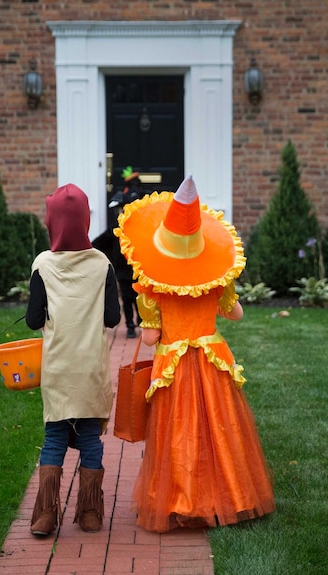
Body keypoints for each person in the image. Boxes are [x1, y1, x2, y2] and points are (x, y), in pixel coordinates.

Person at [115, 174, 276, 532]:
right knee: (221, 428)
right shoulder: (216, 279)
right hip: (211, 359)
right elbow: (235, 313)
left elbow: (151, 338)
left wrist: (149, 325)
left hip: (174, 363)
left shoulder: (153, 285)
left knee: (178, 431)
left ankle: (180, 500)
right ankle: (233, 496)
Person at [25, 183, 121, 536]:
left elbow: (35, 319)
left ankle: (45, 515)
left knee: (53, 439)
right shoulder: (102, 264)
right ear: (85, 221)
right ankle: (91, 512)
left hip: (58, 369)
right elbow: (112, 318)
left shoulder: (43, 264)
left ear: (52, 222)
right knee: (90, 441)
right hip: (91, 370)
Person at [92, 166, 145, 338]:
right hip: (122, 270)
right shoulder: (115, 229)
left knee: (138, 296)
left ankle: (142, 321)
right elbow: (100, 242)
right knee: (127, 298)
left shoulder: (139, 229)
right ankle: (129, 324)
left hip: (137, 268)